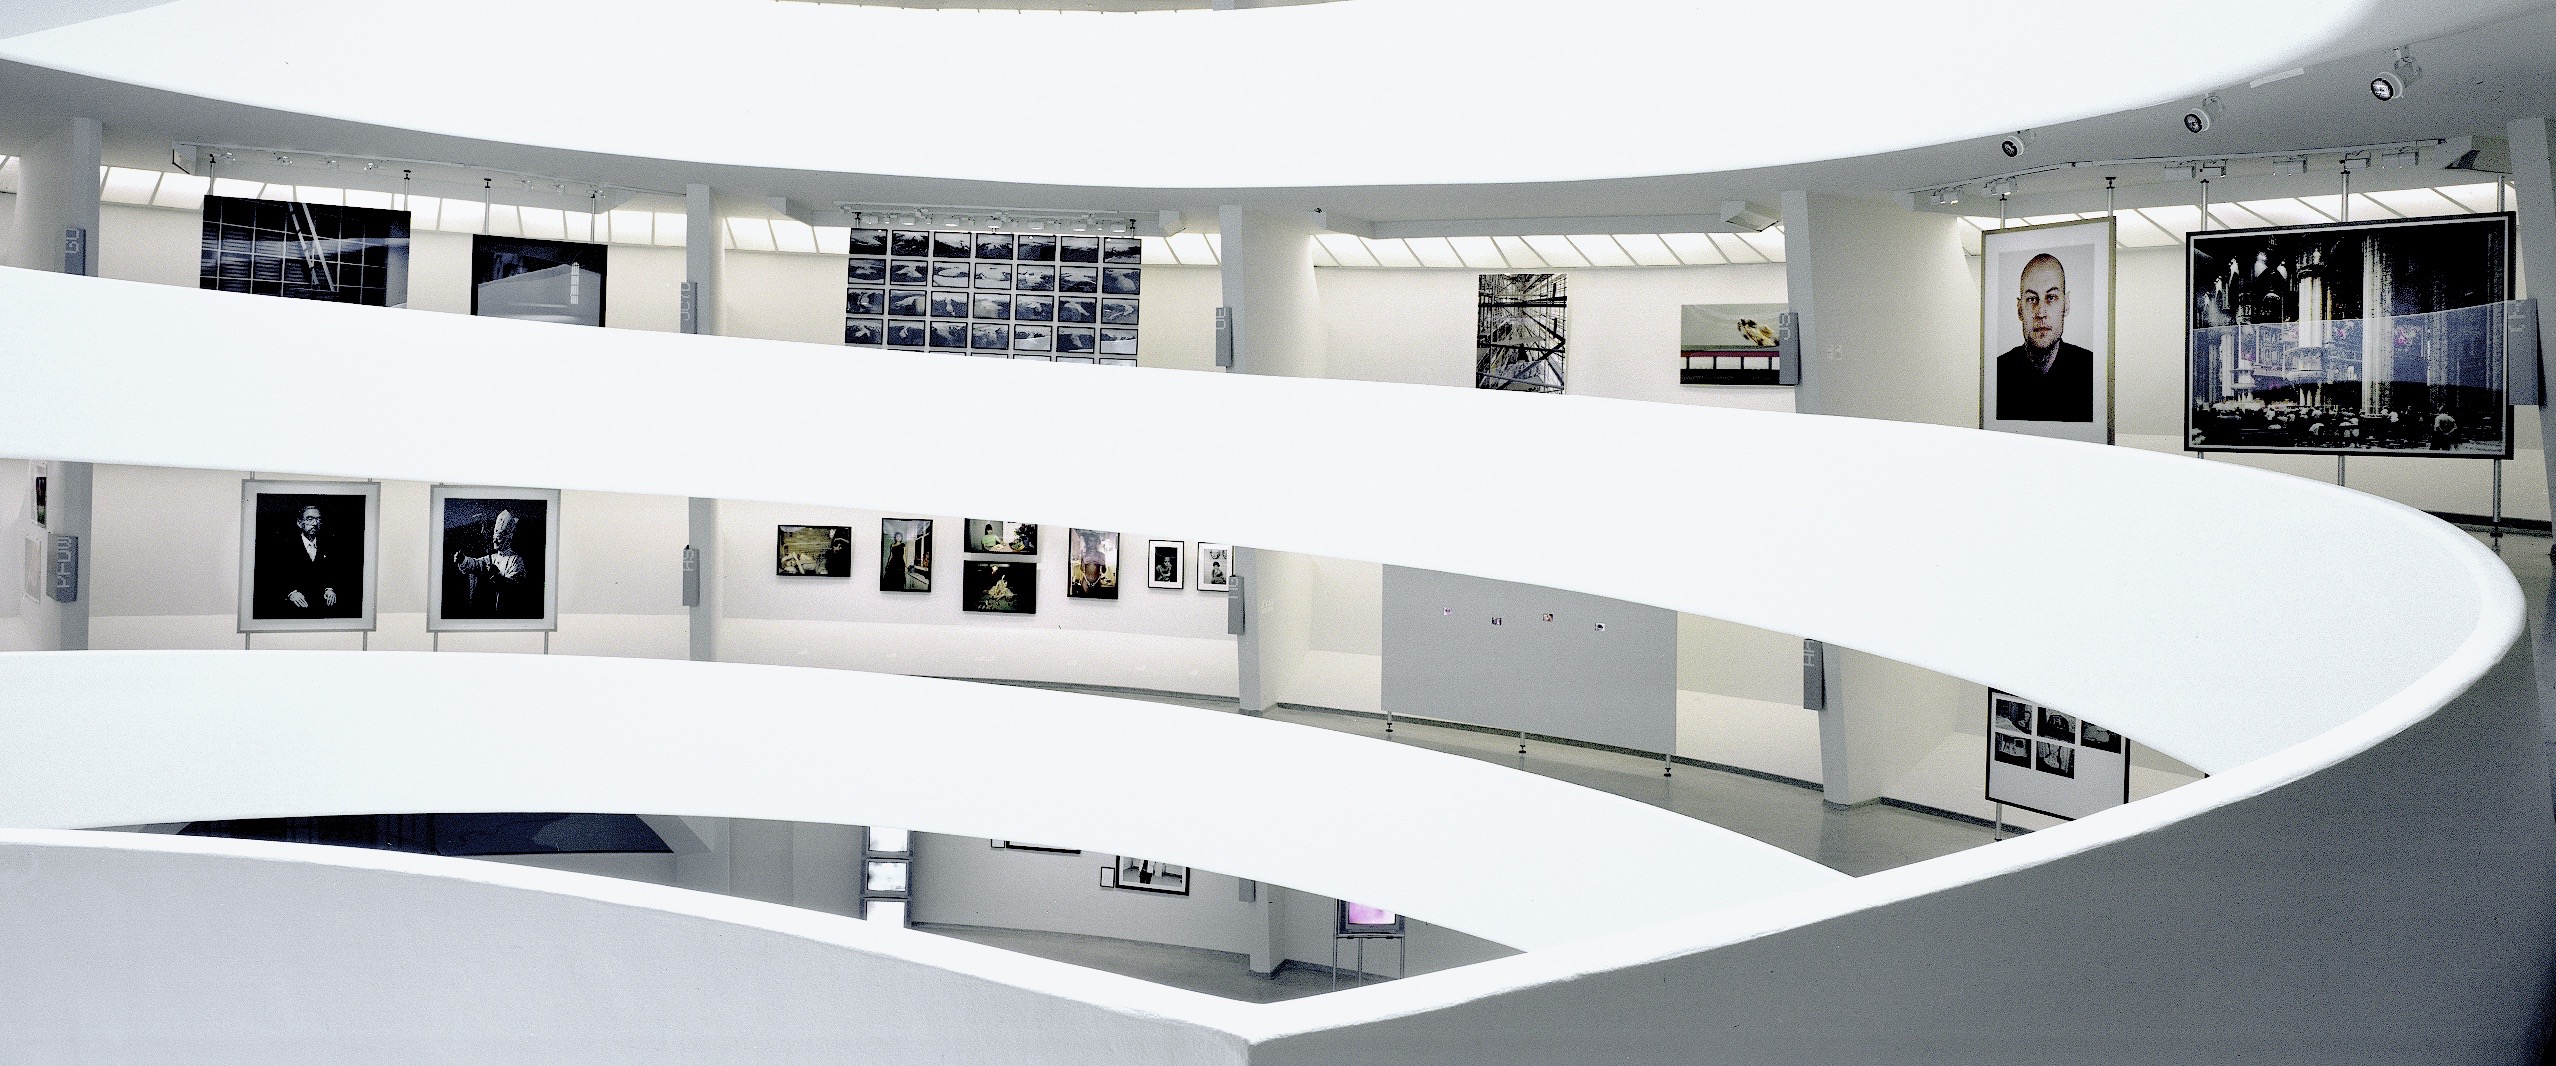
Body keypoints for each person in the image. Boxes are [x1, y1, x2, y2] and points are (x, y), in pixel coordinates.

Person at [1994, 253, 2094, 422]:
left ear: (2066, 304)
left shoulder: (2092, 370)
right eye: (2032, 299)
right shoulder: (1997, 372)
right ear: (2019, 309)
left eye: (2051, 298)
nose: (2040, 313)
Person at [257, 502, 350, 618]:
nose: (315, 523)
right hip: (293, 609)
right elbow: (273, 576)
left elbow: (338, 572)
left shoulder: (331, 545)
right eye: (310, 519)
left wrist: (330, 588)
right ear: (299, 523)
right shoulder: (284, 547)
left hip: (324, 608)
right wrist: (291, 593)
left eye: (318, 520)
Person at [451, 509, 532, 617]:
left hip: (507, 611)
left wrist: (497, 575)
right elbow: (476, 564)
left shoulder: (516, 560)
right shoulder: (492, 557)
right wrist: (463, 559)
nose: (494, 541)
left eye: (498, 539)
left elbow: (516, 588)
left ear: (507, 539)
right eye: (494, 538)